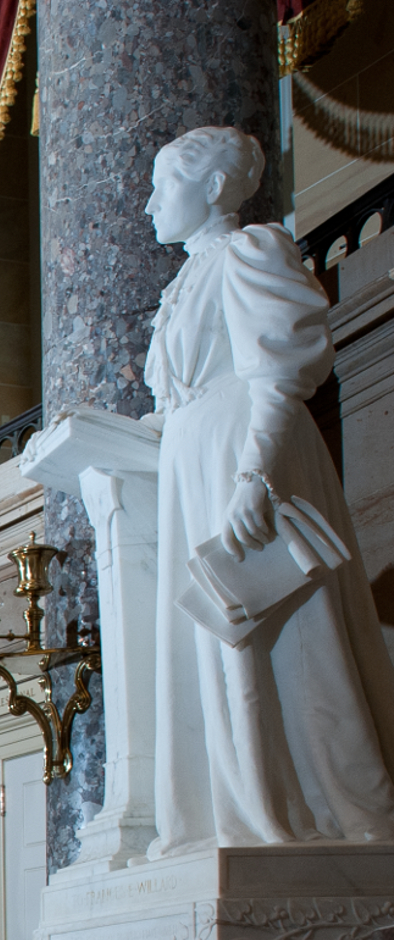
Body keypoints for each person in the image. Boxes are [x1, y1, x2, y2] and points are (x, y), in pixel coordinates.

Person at [137, 125, 394, 849]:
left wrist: (255, 476)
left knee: (273, 633)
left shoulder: (251, 251)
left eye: (165, 186)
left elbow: (280, 371)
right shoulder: (184, 280)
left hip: (242, 450)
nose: (152, 204)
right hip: (195, 456)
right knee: (212, 641)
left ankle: (300, 806)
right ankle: (226, 806)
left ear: (214, 186)